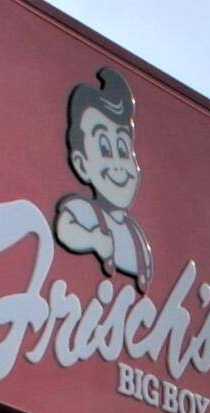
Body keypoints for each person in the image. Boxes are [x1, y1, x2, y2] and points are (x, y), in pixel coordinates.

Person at [54, 64, 155, 281]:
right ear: (81, 165)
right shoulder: (85, 212)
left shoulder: (137, 237)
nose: (118, 165)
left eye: (123, 149)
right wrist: (93, 239)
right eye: (105, 150)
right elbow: (64, 229)